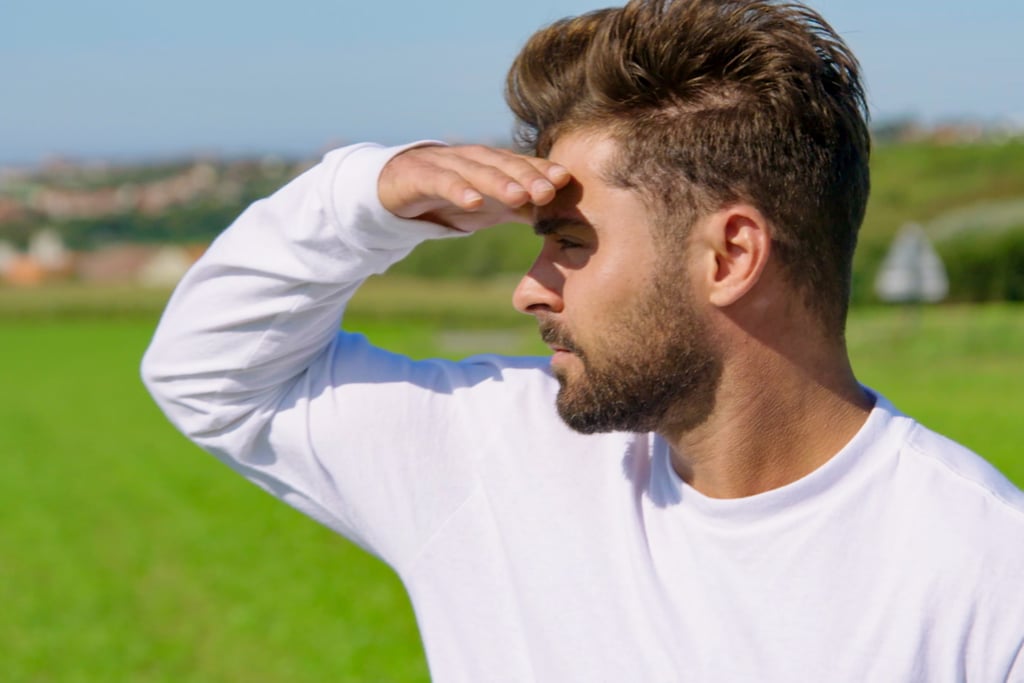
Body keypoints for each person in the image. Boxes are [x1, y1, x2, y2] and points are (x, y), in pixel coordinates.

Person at [142, 0, 1024, 680]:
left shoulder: (985, 575)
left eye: (568, 243)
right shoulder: (493, 456)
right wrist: (361, 198)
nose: (530, 287)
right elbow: (209, 373)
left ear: (729, 255)